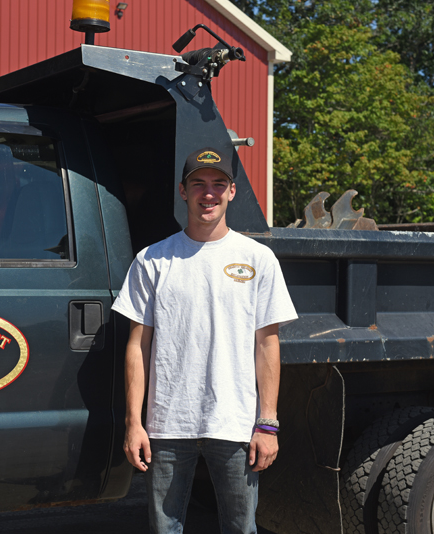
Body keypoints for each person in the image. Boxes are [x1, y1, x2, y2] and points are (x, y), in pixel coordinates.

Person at [111, 146, 298, 533]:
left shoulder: (258, 259)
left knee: (240, 528)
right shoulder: (153, 260)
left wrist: (268, 424)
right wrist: (134, 422)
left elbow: (267, 345)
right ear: (183, 191)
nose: (208, 193)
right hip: (167, 425)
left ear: (232, 192)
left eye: (218, 184)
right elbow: (136, 346)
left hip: (235, 423)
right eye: (199, 183)